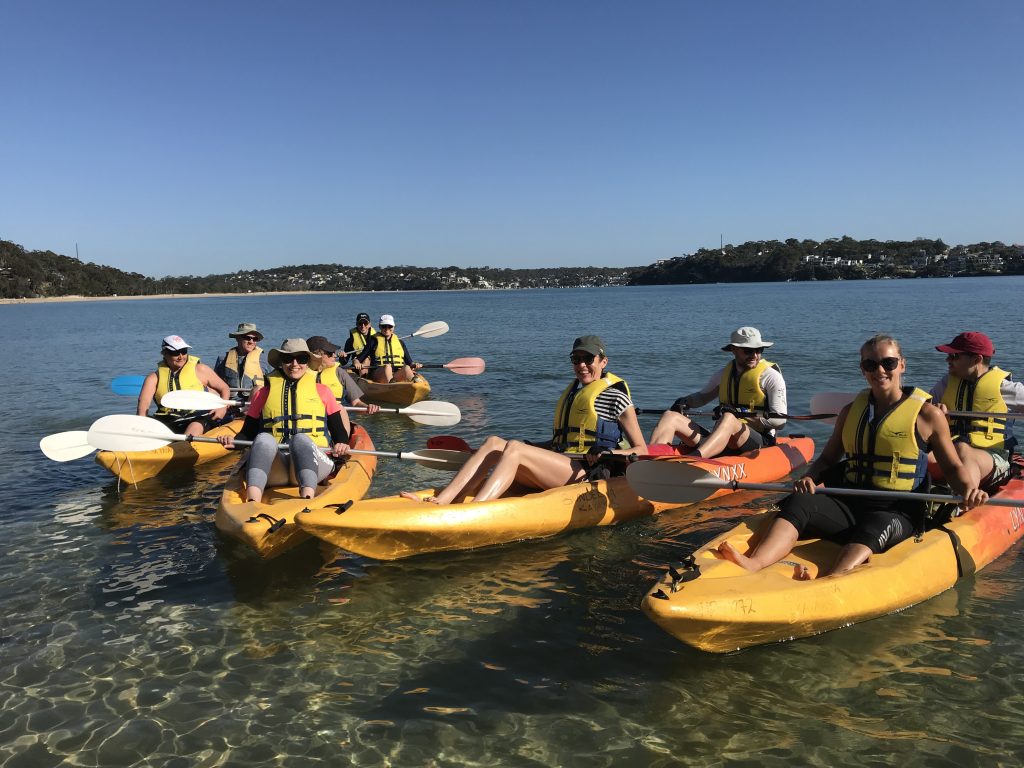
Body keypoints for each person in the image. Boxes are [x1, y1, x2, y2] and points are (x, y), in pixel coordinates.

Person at [718, 334, 989, 580]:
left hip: (897, 509)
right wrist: (809, 477)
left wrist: (970, 491)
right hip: (850, 503)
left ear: (902, 365)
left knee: (873, 527)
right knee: (800, 501)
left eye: (888, 363)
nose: (880, 370)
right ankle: (756, 563)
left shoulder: (927, 415)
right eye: (870, 365)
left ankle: (831, 580)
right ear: (863, 370)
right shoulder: (850, 412)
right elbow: (827, 460)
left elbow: (953, 467)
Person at [400, 335, 647, 505]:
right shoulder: (574, 393)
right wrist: (532, 446)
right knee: (496, 442)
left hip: (589, 474)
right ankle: (443, 498)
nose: (581, 365)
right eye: (576, 359)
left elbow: (641, 450)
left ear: (602, 362)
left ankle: (477, 508)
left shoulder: (616, 397)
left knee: (515, 449)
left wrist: (606, 452)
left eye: (588, 359)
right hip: (564, 465)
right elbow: (563, 443)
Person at [217, 339, 352, 502]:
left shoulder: (323, 391)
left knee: (301, 439)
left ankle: (307, 498)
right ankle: (252, 502)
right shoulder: (263, 394)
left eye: (301, 359)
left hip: (315, 465)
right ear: (281, 362)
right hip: (277, 469)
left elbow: (339, 433)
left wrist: (342, 443)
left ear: (308, 362)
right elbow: (248, 433)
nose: (294, 364)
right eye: (288, 359)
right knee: (264, 438)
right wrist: (234, 442)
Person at [649, 327, 787, 458]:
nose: (754, 355)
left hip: (758, 439)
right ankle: (650, 459)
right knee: (669, 416)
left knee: (728, 418)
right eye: (748, 350)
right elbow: (703, 398)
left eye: (759, 350)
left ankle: (696, 458)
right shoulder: (723, 374)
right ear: (734, 350)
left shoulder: (771, 377)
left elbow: (779, 421)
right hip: (722, 436)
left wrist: (738, 413)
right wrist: (685, 402)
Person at [930, 331, 1024, 490]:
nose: (948, 360)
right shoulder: (946, 383)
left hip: (994, 458)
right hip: (952, 452)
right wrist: (934, 413)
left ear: (976, 359)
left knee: (963, 450)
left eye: (954, 356)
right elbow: (921, 408)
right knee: (923, 456)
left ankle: (964, 503)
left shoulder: (1006, 389)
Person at [137, 335, 233, 437]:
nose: (181, 356)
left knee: (195, 426)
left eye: (184, 351)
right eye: (175, 353)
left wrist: (222, 407)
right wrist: (142, 427)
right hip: (167, 420)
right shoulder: (153, 378)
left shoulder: (200, 369)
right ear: (164, 353)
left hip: (198, 417)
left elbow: (224, 388)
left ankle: (184, 447)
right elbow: (144, 405)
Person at [305, 335, 381, 415]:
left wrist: (367, 407)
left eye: (334, 353)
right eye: (330, 354)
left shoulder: (339, 373)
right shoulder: (300, 374)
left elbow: (356, 403)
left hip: (333, 418)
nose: (334, 355)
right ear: (316, 356)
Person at [355, 314, 423, 383]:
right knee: (387, 367)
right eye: (384, 326)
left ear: (393, 327)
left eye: (390, 326)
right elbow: (358, 359)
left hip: (396, 374)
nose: (387, 329)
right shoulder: (373, 341)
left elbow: (410, 363)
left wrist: (415, 365)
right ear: (380, 327)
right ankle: (392, 386)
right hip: (378, 374)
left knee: (407, 368)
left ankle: (414, 384)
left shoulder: (400, 342)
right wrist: (357, 363)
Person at [214, 322, 269, 393]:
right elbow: (215, 384)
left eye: (255, 339)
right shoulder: (222, 359)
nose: (251, 341)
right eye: (247, 338)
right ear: (237, 338)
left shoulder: (266, 360)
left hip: (256, 402)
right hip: (230, 401)